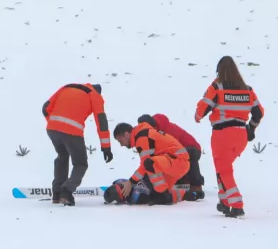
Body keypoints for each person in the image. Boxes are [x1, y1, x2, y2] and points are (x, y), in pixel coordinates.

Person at [195, 56, 264, 218]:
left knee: (223, 170)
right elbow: (259, 113)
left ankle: (236, 204)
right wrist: (251, 128)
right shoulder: (247, 89)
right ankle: (224, 202)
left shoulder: (217, 87)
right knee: (223, 169)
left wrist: (197, 116)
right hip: (241, 135)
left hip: (222, 134)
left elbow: (201, 110)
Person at [42, 83, 113, 206]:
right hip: (72, 131)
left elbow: (45, 108)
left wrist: (55, 124)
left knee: (62, 156)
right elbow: (101, 121)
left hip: (52, 128)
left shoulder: (67, 87)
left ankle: (57, 193)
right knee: (80, 163)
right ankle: (67, 192)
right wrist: (106, 147)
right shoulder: (94, 95)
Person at [104, 119, 190, 205]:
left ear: (126, 134)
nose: (121, 145)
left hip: (178, 161)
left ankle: (163, 195)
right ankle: (188, 193)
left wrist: (131, 182)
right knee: (153, 190)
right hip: (172, 162)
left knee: (149, 164)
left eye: (120, 141)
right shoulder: (142, 134)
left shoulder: (142, 137)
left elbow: (146, 164)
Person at [147, 113, 206, 199]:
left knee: (178, 158)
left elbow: (170, 149)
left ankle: (195, 185)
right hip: (182, 151)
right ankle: (183, 183)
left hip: (192, 149)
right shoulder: (157, 130)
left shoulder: (166, 131)